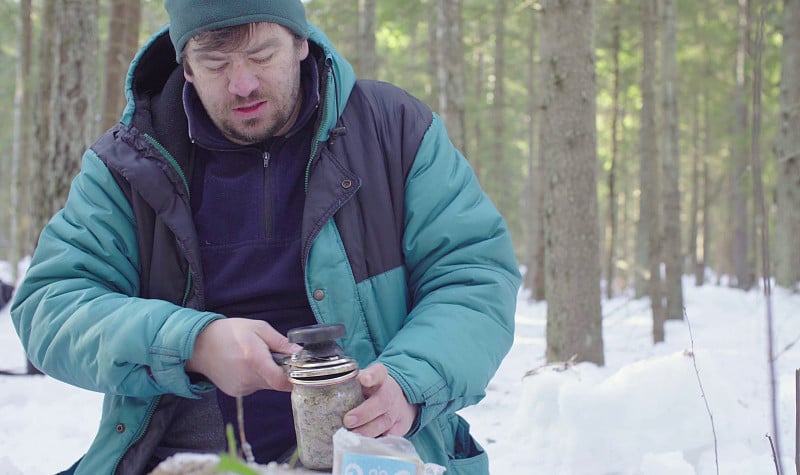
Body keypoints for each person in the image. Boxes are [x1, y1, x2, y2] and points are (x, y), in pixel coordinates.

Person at [10, 1, 521, 474]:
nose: (243, 84)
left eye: (262, 55)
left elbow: (473, 275)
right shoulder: (129, 163)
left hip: (374, 454)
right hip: (184, 460)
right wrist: (192, 343)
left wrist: (413, 381)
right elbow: (50, 306)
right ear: (185, 65)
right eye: (215, 63)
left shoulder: (394, 130)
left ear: (301, 42)